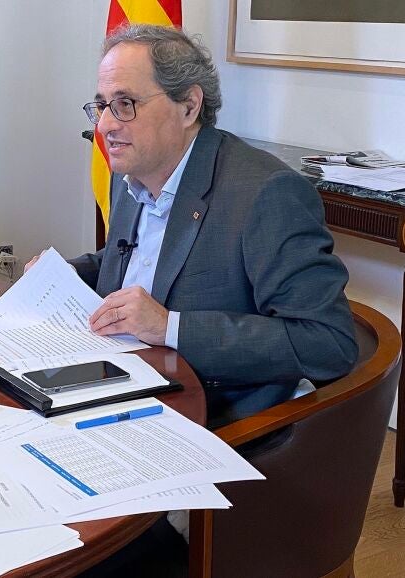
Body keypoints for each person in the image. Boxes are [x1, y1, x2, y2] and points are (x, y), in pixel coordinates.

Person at [28, 24, 357, 429]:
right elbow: (139, 259)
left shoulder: (266, 193)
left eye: (125, 104)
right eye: (102, 106)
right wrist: (63, 273)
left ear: (188, 106)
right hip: (121, 382)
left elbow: (327, 342)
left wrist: (170, 327)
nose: (106, 125)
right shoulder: (131, 170)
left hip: (211, 414)